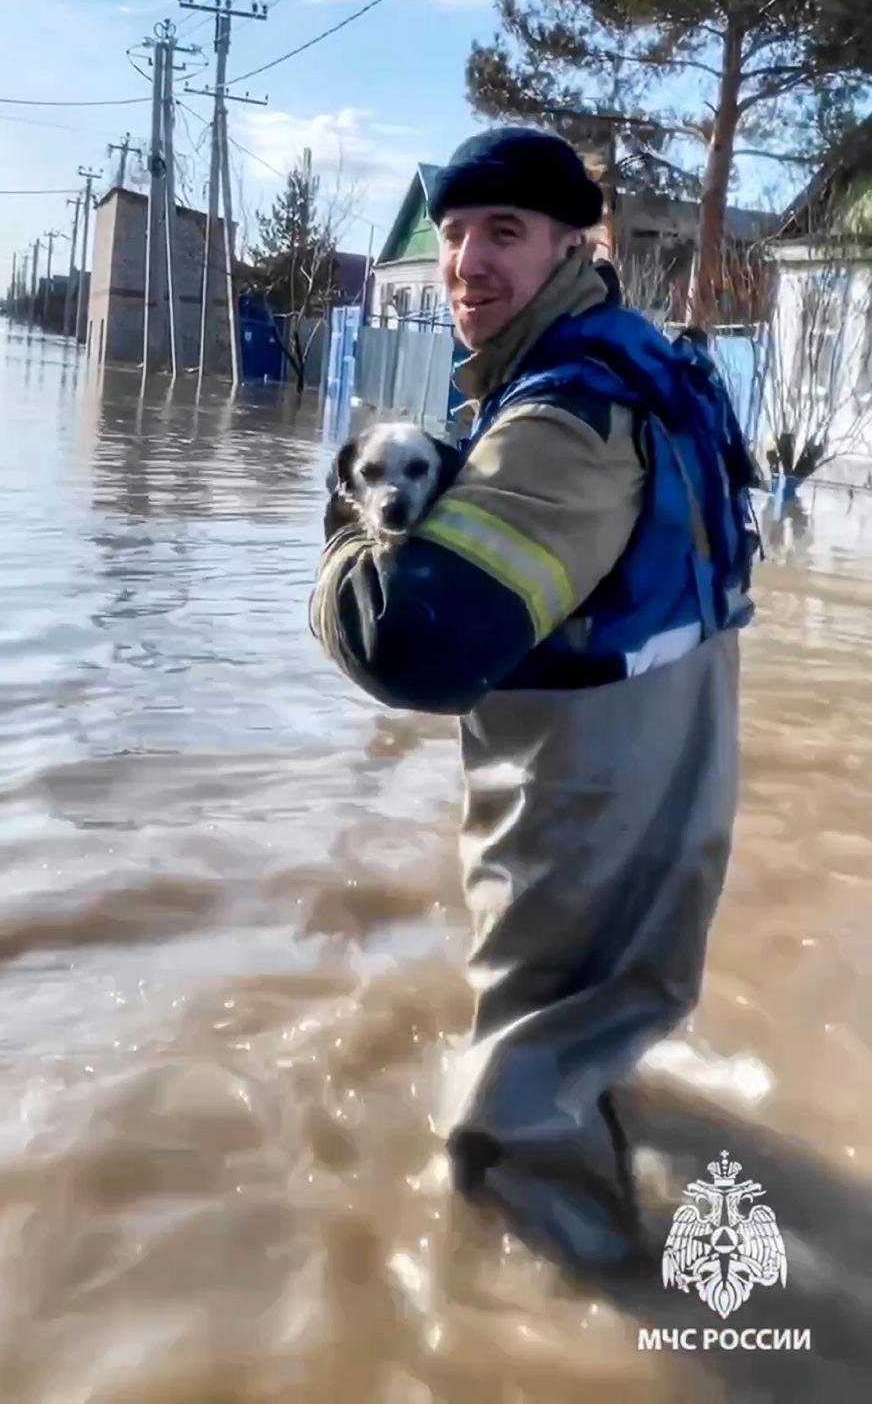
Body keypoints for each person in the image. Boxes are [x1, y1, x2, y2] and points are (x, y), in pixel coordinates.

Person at [309, 127, 759, 1278]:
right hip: (674, 794)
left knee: (502, 1140)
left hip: (581, 818)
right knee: (598, 1049)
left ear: (576, 244)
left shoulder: (561, 416)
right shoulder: (651, 367)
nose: (466, 261)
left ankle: (563, 1340)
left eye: (502, 232)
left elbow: (415, 641)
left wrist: (336, 542)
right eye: (455, 234)